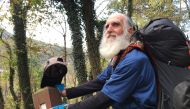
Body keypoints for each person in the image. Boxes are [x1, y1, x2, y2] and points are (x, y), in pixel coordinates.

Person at [55, 13, 157, 109]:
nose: (108, 29)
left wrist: (67, 107)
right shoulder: (119, 57)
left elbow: (105, 99)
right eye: (107, 26)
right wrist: (67, 92)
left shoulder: (134, 60)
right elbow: (99, 82)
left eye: (115, 24)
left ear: (130, 31)